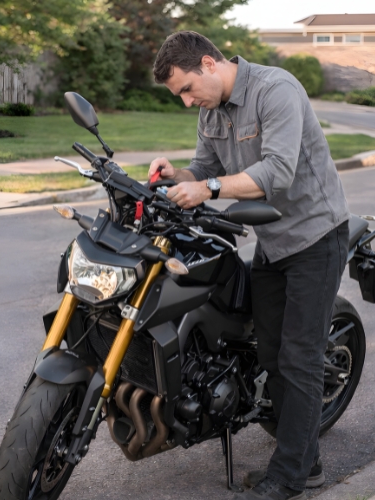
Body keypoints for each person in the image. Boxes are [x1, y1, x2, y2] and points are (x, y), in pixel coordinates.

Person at [148, 31, 350, 500]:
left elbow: (277, 172)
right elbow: (204, 166)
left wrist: (210, 189)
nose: (185, 101)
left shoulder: (275, 89)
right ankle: (306, 459)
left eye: (185, 88)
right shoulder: (210, 110)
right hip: (272, 244)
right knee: (268, 355)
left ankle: (290, 478)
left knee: (298, 361)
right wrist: (177, 176)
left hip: (315, 238)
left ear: (208, 64)